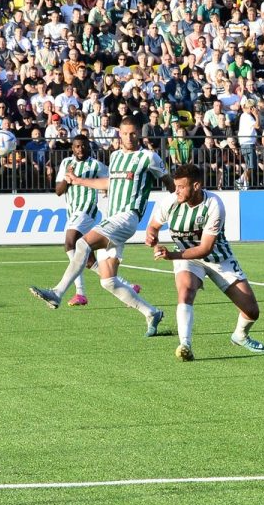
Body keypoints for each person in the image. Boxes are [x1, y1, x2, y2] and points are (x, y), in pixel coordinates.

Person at [30, 116, 169, 338]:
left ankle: (57, 292)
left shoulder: (148, 157)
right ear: (120, 134)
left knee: (82, 243)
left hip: (127, 217)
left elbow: (172, 186)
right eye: (125, 133)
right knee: (108, 281)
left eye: (133, 133)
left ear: (139, 134)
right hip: (113, 217)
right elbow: (109, 184)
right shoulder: (115, 157)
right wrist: (77, 180)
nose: (129, 137)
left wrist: (166, 218)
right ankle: (151, 313)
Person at [147, 162, 264, 360]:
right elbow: (153, 227)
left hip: (218, 258)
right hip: (187, 258)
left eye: (181, 187)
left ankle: (240, 336)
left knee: (251, 311)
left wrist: (172, 255)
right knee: (185, 291)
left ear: (196, 186)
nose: (175, 191)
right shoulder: (170, 202)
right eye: (175, 186)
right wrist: (153, 241)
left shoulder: (214, 205)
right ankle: (185, 344)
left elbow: (205, 248)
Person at [53, 134, 107, 307]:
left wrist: (107, 189)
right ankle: (127, 287)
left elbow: (113, 180)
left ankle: (78, 292)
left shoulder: (96, 165)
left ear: (88, 147)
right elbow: (59, 191)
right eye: (77, 146)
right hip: (73, 211)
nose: (80, 149)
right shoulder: (66, 164)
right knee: (89, 260)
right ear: (72, 148)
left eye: (83, 146)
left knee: (69, 243)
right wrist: (68, 179)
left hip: (87, 209)